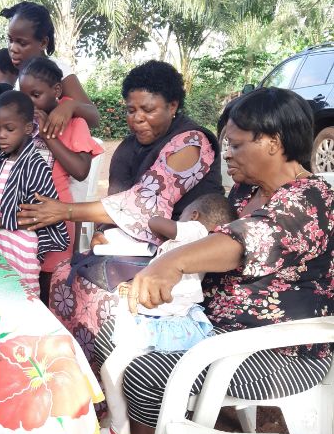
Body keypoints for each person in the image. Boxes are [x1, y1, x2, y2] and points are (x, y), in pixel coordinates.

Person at [95, 88, 334, 434]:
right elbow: (204, 233)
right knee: (113, 327)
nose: (227, 153)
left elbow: (240, 244)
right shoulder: (246, 192)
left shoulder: (311, 199)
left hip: (278, 351)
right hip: (212, 330)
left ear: (274, 142)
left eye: (237, 143)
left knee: (147, 372)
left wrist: (171, 262)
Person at [18, 61, 223, 365]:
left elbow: (143, 203)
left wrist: (66, 211)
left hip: (181, 256)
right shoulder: (130, 147)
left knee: (101, 297)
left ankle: (117, 384)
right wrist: (105, 236)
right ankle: (79, 377)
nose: (138, 119)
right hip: (138, 248)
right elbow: (117, 199)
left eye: (149, 110)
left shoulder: (192, 142)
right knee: (65, 273)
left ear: (173, 105)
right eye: (131, 110)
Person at [99, 194, 236, 434]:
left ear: (194, 216)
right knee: (114, 357)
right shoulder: (199, 242)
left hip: (163, 325)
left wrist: (162, 221)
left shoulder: (198, 232)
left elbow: (157, 223)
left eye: (183, 215)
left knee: (111, 369)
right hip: (170, 323)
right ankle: (122, 426)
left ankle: (119, 430)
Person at [20, 56, 104, 302]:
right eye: (24, 95)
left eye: (35, 95)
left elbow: (80, 170)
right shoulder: (25, 122)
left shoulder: (75, 123)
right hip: (25, 216)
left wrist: (48, 136)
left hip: (57, 217)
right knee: (24, 281)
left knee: (49, 284)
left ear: (56, 90)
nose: (29, 102)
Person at [0, 91, 69, 297]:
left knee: (21, 298)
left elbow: (42, 215)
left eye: (9, 129)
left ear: (28, 128)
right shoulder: (1, 160)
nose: (1, 135)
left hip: (20, 250)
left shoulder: (35, 165)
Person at [1, 1, 100, 136]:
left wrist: (70, 106)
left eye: (21, 43)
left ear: (43, 42)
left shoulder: (58, 70)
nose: (13, 48)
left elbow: (95, 118)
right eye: (10, 40)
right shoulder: (23, 73)